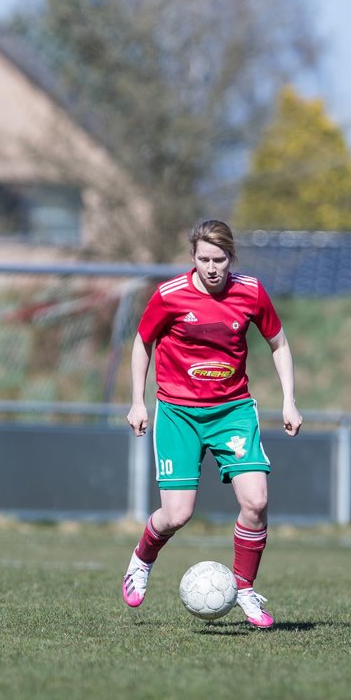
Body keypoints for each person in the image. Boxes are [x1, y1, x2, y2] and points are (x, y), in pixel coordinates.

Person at [122, 219, 302, 628]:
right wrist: (137, 402)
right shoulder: (169, 295)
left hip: (232, 410)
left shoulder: (251, 292)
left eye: (219, 259)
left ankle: (244, 590)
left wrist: (289, 401)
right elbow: (142, 341)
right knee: (178, 514)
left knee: (256, 502)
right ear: (193, 259)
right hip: (178, 413)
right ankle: (142, 559)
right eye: (203, 259)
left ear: (231, 258)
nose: (212, 267)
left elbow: (279, 342)